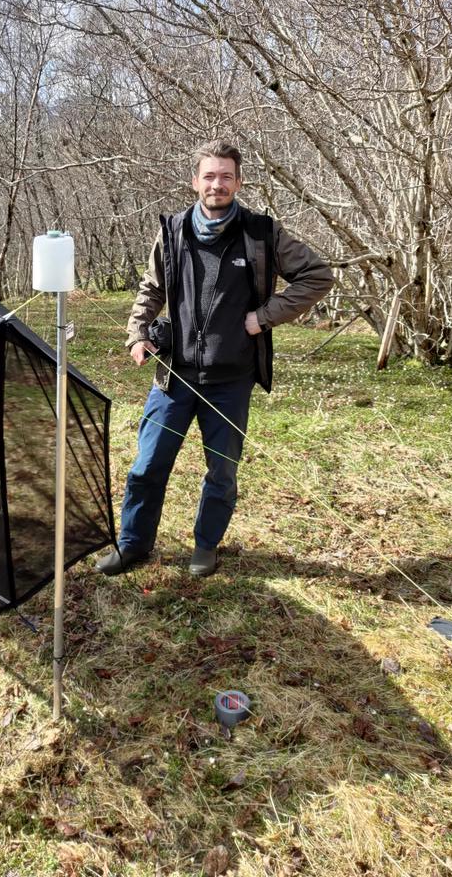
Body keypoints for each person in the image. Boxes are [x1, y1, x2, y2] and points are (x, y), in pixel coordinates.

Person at [96, 139, 334, 578]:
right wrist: (136, 334)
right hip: (175, 375)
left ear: (239, 182)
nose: (217, 184)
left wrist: (263, 317)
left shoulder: (262, 234)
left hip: (231, 380)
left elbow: (318, 276)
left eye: (226, 176)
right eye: (209, 176)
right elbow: (151, 289)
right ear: (195, 182)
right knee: (148, 465)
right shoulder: (172, 231)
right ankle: (133, 545)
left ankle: (205, 546)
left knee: (221, 471)